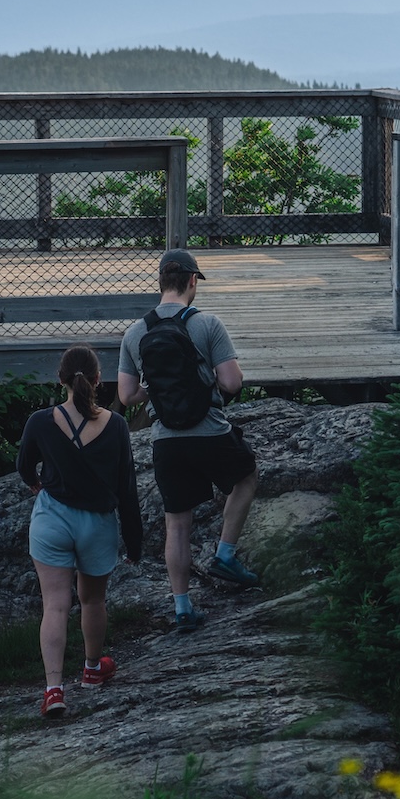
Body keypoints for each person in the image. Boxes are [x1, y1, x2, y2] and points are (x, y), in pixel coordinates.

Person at [117, 248, 260, 635]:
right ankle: (225, 554)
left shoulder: (135, 332)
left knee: (176, 525)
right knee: (246, 477)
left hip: (166, 440)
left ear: (161, 281)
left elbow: (128, 396)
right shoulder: (207, 323)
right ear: (192, 281)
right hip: (210, 431)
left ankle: (182, 608)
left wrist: (160, 389)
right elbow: (232, 383)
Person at [16, 345, 146, 719]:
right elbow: (126, 489)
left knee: (55, 605)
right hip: (97, 524)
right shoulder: (117, 426)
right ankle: (92, 669)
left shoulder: (40, 421)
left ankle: (54, 690)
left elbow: (25, 467)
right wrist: (134, 542)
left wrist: (39, 486)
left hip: (52, 520)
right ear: (97, 380)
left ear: (61, 380)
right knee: (92, 601)